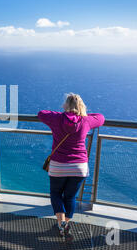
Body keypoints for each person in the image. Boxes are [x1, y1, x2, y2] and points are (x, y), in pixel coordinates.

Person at [38, 93, 104, 241]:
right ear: (81, 106)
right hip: (79, 167)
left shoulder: (57, 119)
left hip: (58, 165)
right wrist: (83, 113)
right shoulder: (86, 121)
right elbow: (100, 117)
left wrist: (62, 113)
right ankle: (65, 224)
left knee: (56, 194)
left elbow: (41, 114)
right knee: (70, 197)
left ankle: (60, 223)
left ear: (66, 105)